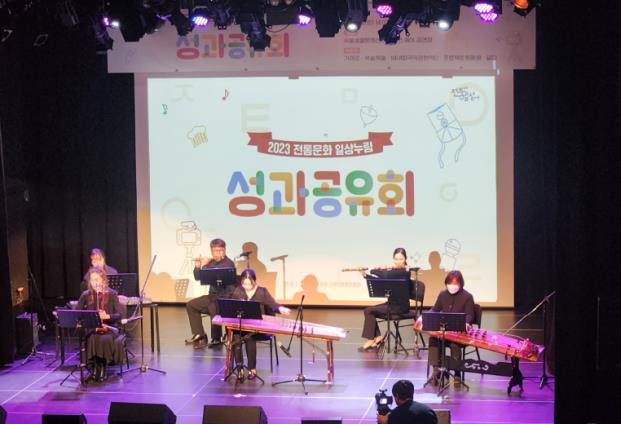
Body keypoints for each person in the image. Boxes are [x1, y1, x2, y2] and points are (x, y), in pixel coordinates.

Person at [229, 268, 291, 381]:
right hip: (243, 325)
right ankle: (239, 369)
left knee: (249, 337)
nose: (246, 286)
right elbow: (232, 307)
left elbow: (273, 304)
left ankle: (252, 368)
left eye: (249, 284)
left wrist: (281, 308)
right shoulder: (238, 290)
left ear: (254, 281)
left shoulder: (262, 291)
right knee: (236, 336)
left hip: (259, 328)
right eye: (244, 284)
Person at [416, 270, 474, 387]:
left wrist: (466, 323)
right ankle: (436, 371)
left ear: (460, 284)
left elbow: (469, 315)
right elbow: (435, 309)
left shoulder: (467, 296)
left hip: (457, 333)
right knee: (433, 340)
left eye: (455, 283)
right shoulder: (443, 294)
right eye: (450, 283)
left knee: (455, 345)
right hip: (443, 331)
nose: (452, 286)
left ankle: (457, 373)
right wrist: (425, 316)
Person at [185, 238, 236, 349]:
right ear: (211, 251)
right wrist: (198, 266)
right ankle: (200, 334)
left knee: (213, 307)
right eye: (215, 251)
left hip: (225, 297)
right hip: (212, 296)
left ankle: (216, 338)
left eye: (221, 250)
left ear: (225, 250)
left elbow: (214, 274)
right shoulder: (211, 262)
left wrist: (205, 265)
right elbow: (199, 277)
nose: (218, 253)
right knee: (191, 305)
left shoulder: (228, 263)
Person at [77, 267, 125, 382]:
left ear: (103, 280)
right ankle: (94, 369)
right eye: (92, 280)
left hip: (109, 328)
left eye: (97, 280)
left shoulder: (112, 294)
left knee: (103, 338)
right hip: (93, 328)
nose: (95, 283)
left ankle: (102, 368)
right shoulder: (86, 295)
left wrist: (107, 316)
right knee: (92, 336)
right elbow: (77, 312)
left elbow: (119, 315)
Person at [360, 248, 411, 351]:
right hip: (391, 304)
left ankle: (371, 340)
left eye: (401, 259)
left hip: (401, 307)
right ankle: (378, 337)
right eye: (396, 259)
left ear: (405, 259)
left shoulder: (405, 272)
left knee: (369, 311)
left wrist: (374, 270)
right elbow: (381, 279)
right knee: (368, 310)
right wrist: (365, 275)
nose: (398, 261)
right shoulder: (393, 271)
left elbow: (385, 275)